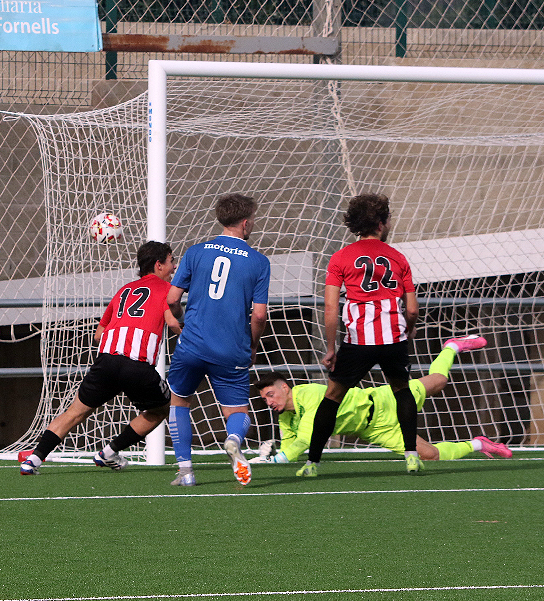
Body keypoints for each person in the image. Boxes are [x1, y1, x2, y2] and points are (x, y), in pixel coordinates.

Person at [20, 241, 181, 475]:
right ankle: (109, 452)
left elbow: (99, 334)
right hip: (136, 365)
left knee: (75, 412)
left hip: (106, 362)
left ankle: (33, 460)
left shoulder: (124, 291)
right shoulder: (166, 290)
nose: (174, 267)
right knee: (163, 409)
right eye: (171, 261)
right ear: (159, 265)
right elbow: (172, 322)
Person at [299, 193, 420, 478]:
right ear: (381, 223)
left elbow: (330, 306)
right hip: (393, 338)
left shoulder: (340, 257)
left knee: (332, 396)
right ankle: (411, 456)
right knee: (402, 389)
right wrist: (409, 328)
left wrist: (330, 347)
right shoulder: (399, 258)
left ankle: (312, 463)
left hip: (358, 341)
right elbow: (412, 308)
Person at [252, 335, 511, 464]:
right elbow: (288, 444)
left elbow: (306, 438)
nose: (269, 402)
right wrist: (266, 457)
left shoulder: (309, 394)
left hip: (385, 401)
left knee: (439, 381)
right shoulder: (286, 415)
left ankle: (452, 346)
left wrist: (275, 459)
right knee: (429, 455)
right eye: (265, 400)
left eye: (270, 395)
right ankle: (479, 444)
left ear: (285, 388)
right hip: (376, 429)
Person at [165, 193, 270, 487]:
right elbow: (259, 316)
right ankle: (234, 440)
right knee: (237, 411)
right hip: (232, 348)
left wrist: (182, 322)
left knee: (180, 401)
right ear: (246, 223)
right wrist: (252, 345)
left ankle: (185, 472)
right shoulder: (259, 261)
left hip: (193, 344)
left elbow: (172, 299)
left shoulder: (195, 252)